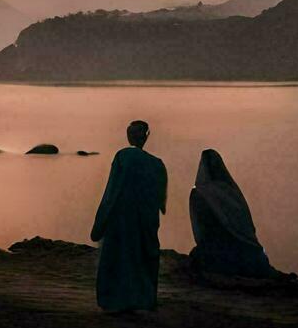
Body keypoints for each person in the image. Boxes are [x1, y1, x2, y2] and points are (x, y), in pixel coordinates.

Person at [89, 120, 167, 312]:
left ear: (129, 136)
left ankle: (115, 298)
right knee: (141, 255)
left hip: (121, 217)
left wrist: (103, 215)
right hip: (144, 217)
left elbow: (113, 188)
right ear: (146, 136)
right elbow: (159, 199)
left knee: (119, 256)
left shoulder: (123, 157)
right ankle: (143, 298)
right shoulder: (157, 163)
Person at [188, 148, 275, 278]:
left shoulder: (199, 193)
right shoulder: (230, 191)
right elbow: (245, 225)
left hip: (215, 247)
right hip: (237, 246)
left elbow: (199, 227)